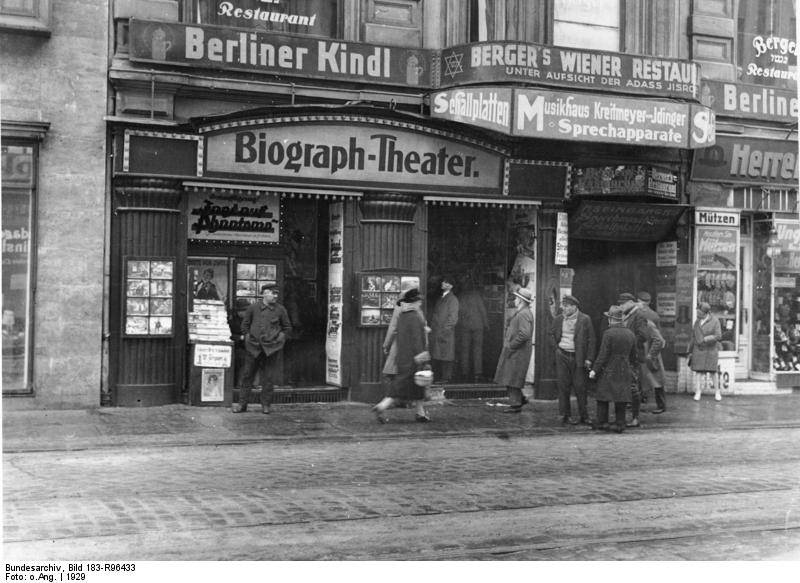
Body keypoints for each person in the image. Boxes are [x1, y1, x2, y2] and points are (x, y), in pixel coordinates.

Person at [372, 288, 431, 423]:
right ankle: (382, 406)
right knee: (404, 386)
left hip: (402, 356)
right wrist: (422, 357)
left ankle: (420, 413)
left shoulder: (403, 316)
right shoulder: (415, 317)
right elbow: (416, 340)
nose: (420, 303)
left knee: (416, 387)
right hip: (413, 358)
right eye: (418, 301)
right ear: (414, 302)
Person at [232, 284, 292, 414]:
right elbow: (245, 325)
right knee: (247, 376)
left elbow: (287, 328)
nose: (275, 296)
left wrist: (278, 340)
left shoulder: (280, 310)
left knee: (268, 378)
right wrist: (248, 339)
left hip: (271, 349)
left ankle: (266, 405)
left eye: (276, 293)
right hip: (253, 348)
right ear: (264, 293)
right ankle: (242, 404)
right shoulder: (253, 308)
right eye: (272, 293)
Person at [589, 305, 638, 434]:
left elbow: (603, 354)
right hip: (624, 368)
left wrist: (594, 370)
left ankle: (602, 422)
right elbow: (634, 356)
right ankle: (620, 424)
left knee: (602, 395)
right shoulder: (630, 334)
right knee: (621, 396)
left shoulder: (608, 333)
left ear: (611, 319)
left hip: (609, 368)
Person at [551, 294, 596, 425]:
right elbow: (551, 334)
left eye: (566, 306)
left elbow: (592, 340)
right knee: (563, 386)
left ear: (574, 307)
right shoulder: (558, 319)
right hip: (562, 355)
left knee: (580, 387)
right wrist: (557, 349)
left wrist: (589, 358)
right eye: (563, 306)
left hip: (578, 357)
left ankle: (584, 415)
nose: (563, 308)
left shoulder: (585, 319)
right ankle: (565, 415)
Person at [493, 287, 534, 413]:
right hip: (517, 351)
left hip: (517, 352)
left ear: (521, 301)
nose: (515, 300)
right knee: (512, 376)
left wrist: (512, 346)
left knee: (512, 377)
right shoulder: (524, 312)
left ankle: (516, 404)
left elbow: (524, 334)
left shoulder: (523, 314)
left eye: (516, 298)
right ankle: (520, 398)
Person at [618, 292, 651, 428]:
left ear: (631, 303)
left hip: (633, 355)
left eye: (623, 303)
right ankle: (623, 417)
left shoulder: (639, 315)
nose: (621, 306)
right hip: (623, 354)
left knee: (633, 387)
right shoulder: (625, 314)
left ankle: (635, 417)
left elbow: (643, 336)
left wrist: (628, 342)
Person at [637, 291, 667, 414]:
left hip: (644, 349)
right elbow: (659, 335)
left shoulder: (638, 314)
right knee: (656, 378)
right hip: (652, 350)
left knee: (641, 377)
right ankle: (661, 404)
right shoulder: (654, 315)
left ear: (639, 301)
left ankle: (638, 402)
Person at [457, 276, 489, 382]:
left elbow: (459, 312)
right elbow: (482, 310)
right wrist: (486, 324)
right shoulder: (477, 295)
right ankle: (477, 374)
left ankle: (464, 373)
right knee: (477, 350)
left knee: (465, 350)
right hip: (478, 326)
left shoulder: (461, 297)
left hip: (465, 326)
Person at [688, 302, 722, 401]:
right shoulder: (697, 322)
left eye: (700, 313)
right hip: (698, 349)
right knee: (698, 372)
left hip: (710, 350)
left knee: (713, 372)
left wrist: (706, 339)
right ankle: (698, 392)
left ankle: (717, 392)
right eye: (697, 312)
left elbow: (718, 335)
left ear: (706, 313)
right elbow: (693, 336)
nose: (698, 314)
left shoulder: (715, 321)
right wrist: (690, 350)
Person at [430, 275, 459, 384]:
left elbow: (453, 318)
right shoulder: (441, 298)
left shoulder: (452, 299)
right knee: (439, 356)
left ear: (450, 286)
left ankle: (446, 380)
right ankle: (441, 379)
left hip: (445, 333)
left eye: (445, 282)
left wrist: (444, 331)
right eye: (443, 281)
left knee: (446, 357)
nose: (442, 283)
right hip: (438, 332)